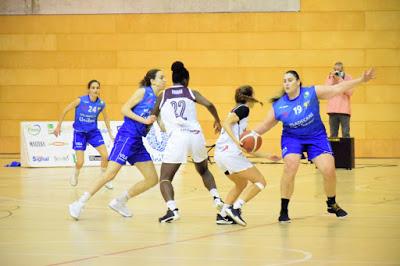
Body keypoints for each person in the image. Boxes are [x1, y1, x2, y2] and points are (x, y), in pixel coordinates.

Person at [253, 68, 375, 223]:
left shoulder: (311, 92)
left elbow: (336, 89)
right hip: (292, 138)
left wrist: (361, 79)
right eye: (284, 81)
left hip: (316, 136)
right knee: (290, 165)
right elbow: (265, 125)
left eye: (290, 80)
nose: (287, 83)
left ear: (298, 82)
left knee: (329, 170)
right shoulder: (279, 105)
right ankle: (284, 209)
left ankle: (331, 203)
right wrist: (248, 135)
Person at [68, 69, 166, 220]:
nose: (165, 80)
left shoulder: (158, 99)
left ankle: (120, 201)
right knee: (110, 174)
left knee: (152, 179)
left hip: (137, 141)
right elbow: (124, 109)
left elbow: (158, 120)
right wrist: (144, 121)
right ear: (152, 81)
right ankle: (79, 203)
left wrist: (171, 132)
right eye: (161, 77)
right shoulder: (143, 92)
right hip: (127, 135)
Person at [152, 61, 224, 223]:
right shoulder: (191, 92)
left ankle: (172, 210)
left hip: (178, 137)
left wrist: (157, 123)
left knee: (165, 178)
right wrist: (217, 120)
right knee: (204, 171)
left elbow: (153, 114)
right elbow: (210, 104)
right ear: (185, 80)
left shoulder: (163, 95)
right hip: (196, 135)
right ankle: (218, 200)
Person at [214, 85, 280, 226]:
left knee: (241, 183)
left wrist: (267, 156)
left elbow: (245, 149)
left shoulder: (236, 112)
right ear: (250, 98)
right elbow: (225, 123)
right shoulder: (243, 109)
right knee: (260, 181)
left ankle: (223, 214)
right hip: (230, 154)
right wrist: (237, 141)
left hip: (220, 155)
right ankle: (236, 208)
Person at [54, 80, 114, 189]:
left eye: (97, 88)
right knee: (80, 162)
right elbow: (64, 110)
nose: (95, 90)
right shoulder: (80, 100)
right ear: (89, 89)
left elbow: (106, 118)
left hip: (93, 133)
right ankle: (75, 175)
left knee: (106, 156)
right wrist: (58, 126)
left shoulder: (101, 103)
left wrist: (110, 133)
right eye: (93, 88)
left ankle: (104, 179)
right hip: (80, 133)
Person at [326, 62, 353, 138]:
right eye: (335, 69)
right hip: (332, 110)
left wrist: (340, 80)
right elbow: (327, 90)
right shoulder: (330, 77)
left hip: (344, 111)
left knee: (346, 134)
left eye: (339, 70)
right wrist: (332, 78)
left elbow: (350, 92)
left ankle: (346, 150)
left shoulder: (348, 78)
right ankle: (334, 150)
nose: (337, 72)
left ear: (342, 70)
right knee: (333, 135)